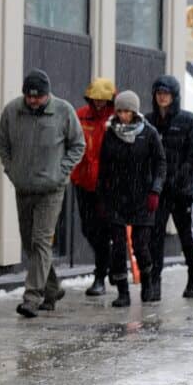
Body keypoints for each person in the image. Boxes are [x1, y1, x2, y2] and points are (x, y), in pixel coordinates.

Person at [0, 69, 85, 318]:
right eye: (29, 96)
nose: (33, 100)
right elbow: (2, 140)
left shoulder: (63, 111)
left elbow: (78, 144)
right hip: (23, 187)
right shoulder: (12, 111)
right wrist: (11, 169)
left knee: (41, 241)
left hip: (51, 189)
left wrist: (61, 172)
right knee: (30, 244)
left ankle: (32, 298)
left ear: (48, 95)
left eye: (38, 97)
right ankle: (53, 288)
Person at [96, 91, 165, 308]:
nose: (123, 115)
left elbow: (160, 164)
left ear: (134, 112)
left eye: (127, 111)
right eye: (120, 111)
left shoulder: (149, 134)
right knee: (117, 246)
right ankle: (122, 291)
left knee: (140, 245)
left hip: (143, 198)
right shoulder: (110, 134)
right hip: (116, 198)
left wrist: (155, 190)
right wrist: (102, 196)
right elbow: (104, 167)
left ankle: (147, 282)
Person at [145, 74, 193, 301]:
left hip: (181, 190)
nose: (162, 97)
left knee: (185, 234)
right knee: (155, 237)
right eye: (159, 93)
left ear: (174, 96)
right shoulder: (149, 121)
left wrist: (177, 178)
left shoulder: (188, 121)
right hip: (158, 190)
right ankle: (154, 281)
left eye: (166, 93)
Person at [70, 77, 124, 297]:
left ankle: (101, 275)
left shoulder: (118, 119)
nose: (99, 103)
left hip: (109, 185)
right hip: (83, 181)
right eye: (96, 99)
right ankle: (109, 262)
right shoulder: (80, 115)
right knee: (88, 229)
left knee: (107, 230)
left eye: (103, 100)